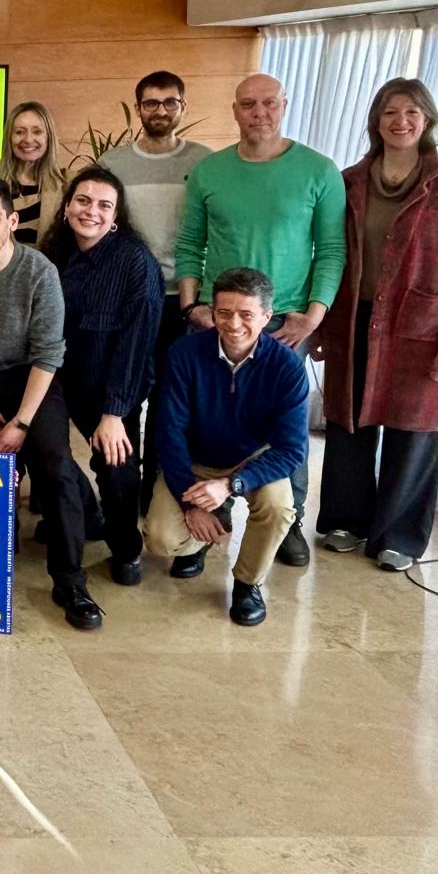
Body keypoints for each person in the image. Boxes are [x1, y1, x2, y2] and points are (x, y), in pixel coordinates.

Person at [313, 79, 438, 569]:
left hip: (420, 327)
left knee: (413, 430)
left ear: (428, 121)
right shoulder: (348, 181)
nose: (400, 121)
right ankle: (345, 520)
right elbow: (329, 257)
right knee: (347, 421)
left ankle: (400, 537)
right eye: (390, 112)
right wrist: (323, 326)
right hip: (353, 319)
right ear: (376, 121)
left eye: (412, 112)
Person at [175, 73, 346, 566]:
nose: (259, 113)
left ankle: (287, 522)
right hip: (216, 319)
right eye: (248, 104)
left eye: (269, 103)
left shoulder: (318, 170)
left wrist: (312, 317)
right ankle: (207, 520)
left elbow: (331, 250)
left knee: (283, 427)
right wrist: (192, 307)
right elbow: (190, 244)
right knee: (209, 423)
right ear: (234, 110)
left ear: (284, 105)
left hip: (284, 325)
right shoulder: (211, 171)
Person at [0, 178, 104, 629]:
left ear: (12, 221)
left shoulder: (39, 271)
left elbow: (49, 352)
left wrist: (22, 423)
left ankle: (70, 580)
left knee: (55, 466)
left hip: (36, 380)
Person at [145, 268, 308, 626]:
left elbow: (291, 450)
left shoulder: (288, 368)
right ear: (211, 312)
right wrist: (193, 503)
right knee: (160, 539)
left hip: (252, 462)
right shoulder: (184, 353)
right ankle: (204, 534)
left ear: (267, 317)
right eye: (224, 313)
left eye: (246, 314)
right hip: (195, 459)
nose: (234, 324)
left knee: (279, 508)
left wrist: (231, 485)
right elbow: (168, 432)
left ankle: (248, 583)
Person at [44, 166, 164, 586]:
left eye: (103, 205)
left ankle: (124, 546)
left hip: (113, 385)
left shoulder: (135, 262)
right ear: (66, 207)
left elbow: (137, 343)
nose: (90, 211)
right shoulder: (52, 255)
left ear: (115, 217)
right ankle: (86, 511)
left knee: (116, 468)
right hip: (57, 381)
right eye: (82, 200)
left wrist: (113, 413)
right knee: (48, 452)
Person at [99, 71, 214, 512]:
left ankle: (157, 500)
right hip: (128, 301)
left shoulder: (206, 162)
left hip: (184, 302)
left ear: (182, 107)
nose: (160, 111)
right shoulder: (112, 165)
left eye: (170, 102)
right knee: (123, 402)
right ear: (138, 107)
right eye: (151, 103)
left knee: (172, 408)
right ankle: (123, 503)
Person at [0, 102, 67, 246]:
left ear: (49, 137)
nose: (28, 139)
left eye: (37, 132)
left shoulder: (67, 186)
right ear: (9, 138)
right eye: (19, 132)